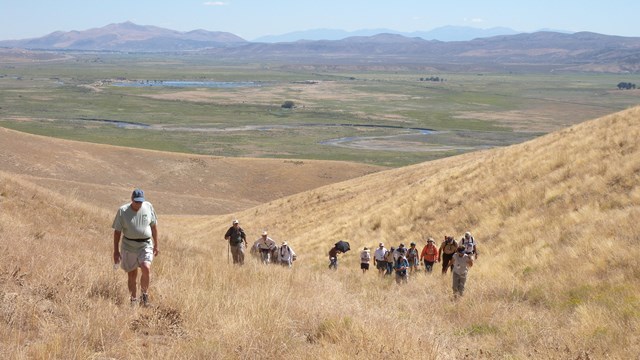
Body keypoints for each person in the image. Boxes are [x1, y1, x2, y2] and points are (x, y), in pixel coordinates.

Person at [112, 189, 159, 307]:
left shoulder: (148, 207)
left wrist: (156, 244)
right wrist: (116, 251)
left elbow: (153, 226)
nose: (138, 204)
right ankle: (133, 300)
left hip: (145, 244)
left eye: (140, 202)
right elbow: (117, 232)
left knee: (146, 267)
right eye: (136, 201)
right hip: (129, 246)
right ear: (132, 199)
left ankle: (144, 297)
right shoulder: (123, 211)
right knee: (132, 275)